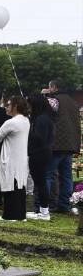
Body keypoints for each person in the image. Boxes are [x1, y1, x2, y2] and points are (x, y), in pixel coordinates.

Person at [0, 96, 31, 221]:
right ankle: (20, 214)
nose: (6, 107)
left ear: (15, 107)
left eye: (9, 105)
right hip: (21, 158)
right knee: (20, 186)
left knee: (10, 187)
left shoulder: (11, 122)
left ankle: (10, 215)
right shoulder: (26, 120)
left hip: (10, 158)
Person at [45, 80, 80, 214]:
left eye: (49, 88)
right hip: (70, 144)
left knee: (48, 175)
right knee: (66, 177)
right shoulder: (73, 102)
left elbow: (43, 110)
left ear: (53, 87)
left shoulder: (54, 100)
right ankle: (64, 205)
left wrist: (45, 96)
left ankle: (45, 204)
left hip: (56, 144)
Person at [28, 94, 56, 219]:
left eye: (30, 105)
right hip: (42, 153)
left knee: (40, 182)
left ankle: (44, 212)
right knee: (40, 182)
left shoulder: (42, 120)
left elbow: (39, 138)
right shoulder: (43, 118)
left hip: (39, 154)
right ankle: (41, 210)